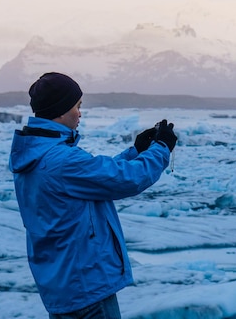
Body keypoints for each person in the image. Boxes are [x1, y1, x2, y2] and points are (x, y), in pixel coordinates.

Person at [9, 72, 177, 318]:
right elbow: (126, 179)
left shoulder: (35, 154)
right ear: (61, 110)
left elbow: (97, 177)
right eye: (77, 106)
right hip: (86, 283)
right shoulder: (61, 160)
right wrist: (161, 148)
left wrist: (136, 151)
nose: (80, 113)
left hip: (61, 281)